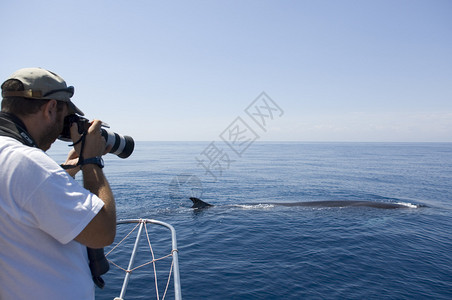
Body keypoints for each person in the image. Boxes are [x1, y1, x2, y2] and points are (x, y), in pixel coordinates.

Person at [0, 67, 116, 299]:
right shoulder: (28, 162)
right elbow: (102, 232)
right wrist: (91, 161)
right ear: (51, 108)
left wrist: (63, 174)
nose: (63, 131)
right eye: (65, 120)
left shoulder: (9, 155)